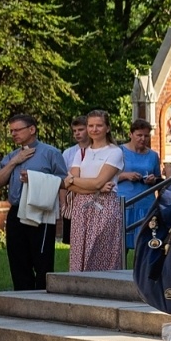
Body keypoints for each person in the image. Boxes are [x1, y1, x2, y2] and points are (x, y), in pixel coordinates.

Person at [0, 112, 67, 291]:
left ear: (32, 129)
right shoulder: (11, 156)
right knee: (18, 259)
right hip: (16, 210)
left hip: (40, 211)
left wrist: (36, 179)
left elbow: (63, 180)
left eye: (18, 130)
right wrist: (14, 162)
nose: (13, 134)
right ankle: (21, 295)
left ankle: (42, 297)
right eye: (11, 131)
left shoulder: (51, 153)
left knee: (42, 259)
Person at [63, 110, 125, 272]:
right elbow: (70, 187)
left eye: (99, 125)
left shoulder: (114, 152)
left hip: (104, 206)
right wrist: (90, 186)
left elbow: (98, 182)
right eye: (91, 125)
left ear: (107, 128)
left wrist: (72, 180)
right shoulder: (81, 152)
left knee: (101, 252)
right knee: (79, 252)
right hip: (81, 207)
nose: (94, 129)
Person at [118, 118, 161, 235]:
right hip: (124, 202)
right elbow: (108, 177)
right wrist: (125, 175)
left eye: (146, 136)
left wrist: (153, 180)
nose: (143, 139)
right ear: (130, 134)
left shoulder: (153, 155)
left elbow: (159, 180)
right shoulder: (119, 151)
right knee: (121, 242)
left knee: (144, 240)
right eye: (139, 135)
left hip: (146, 203)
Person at [60, 115, 87, 245]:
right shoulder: (68, 153)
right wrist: (63, 204)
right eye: (75, 131)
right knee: (74, 243)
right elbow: (63, 179)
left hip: (92, 198)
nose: (77, 133)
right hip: (72, 200)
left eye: (80, 129)